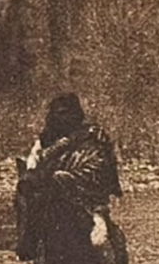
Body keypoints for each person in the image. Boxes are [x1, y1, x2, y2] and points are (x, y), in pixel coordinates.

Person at [26, 92, 122, 242]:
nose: (61, 119)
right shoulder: (47, 140)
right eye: (57, 114)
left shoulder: (94, 139)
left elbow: (101, 175)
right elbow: (33, 166)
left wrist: (67, 179)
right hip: (53, 204)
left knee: (99, 240)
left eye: (65, 113)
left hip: (89, 205)